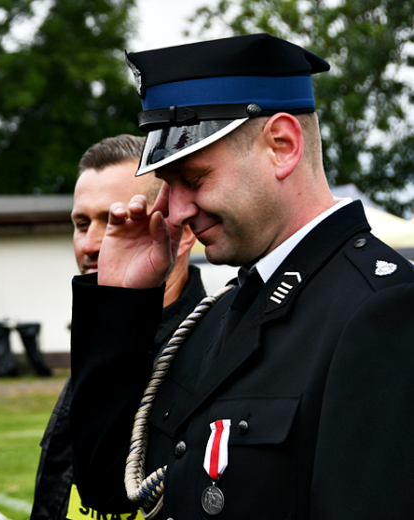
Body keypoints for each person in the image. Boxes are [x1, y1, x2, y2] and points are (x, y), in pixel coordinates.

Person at [69, 33, 414, 519]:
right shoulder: (223, 314)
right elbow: (108, 487)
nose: (177, 210)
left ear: (282, 145)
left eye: (193, 179)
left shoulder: (385, 311)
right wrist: (121, 301)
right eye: (168, 185)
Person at [30, 134, 204, 519]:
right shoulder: (100, 345)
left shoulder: (207, 355)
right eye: (81, 223)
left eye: (116, 219)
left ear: (184, 232)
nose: (92, 243)